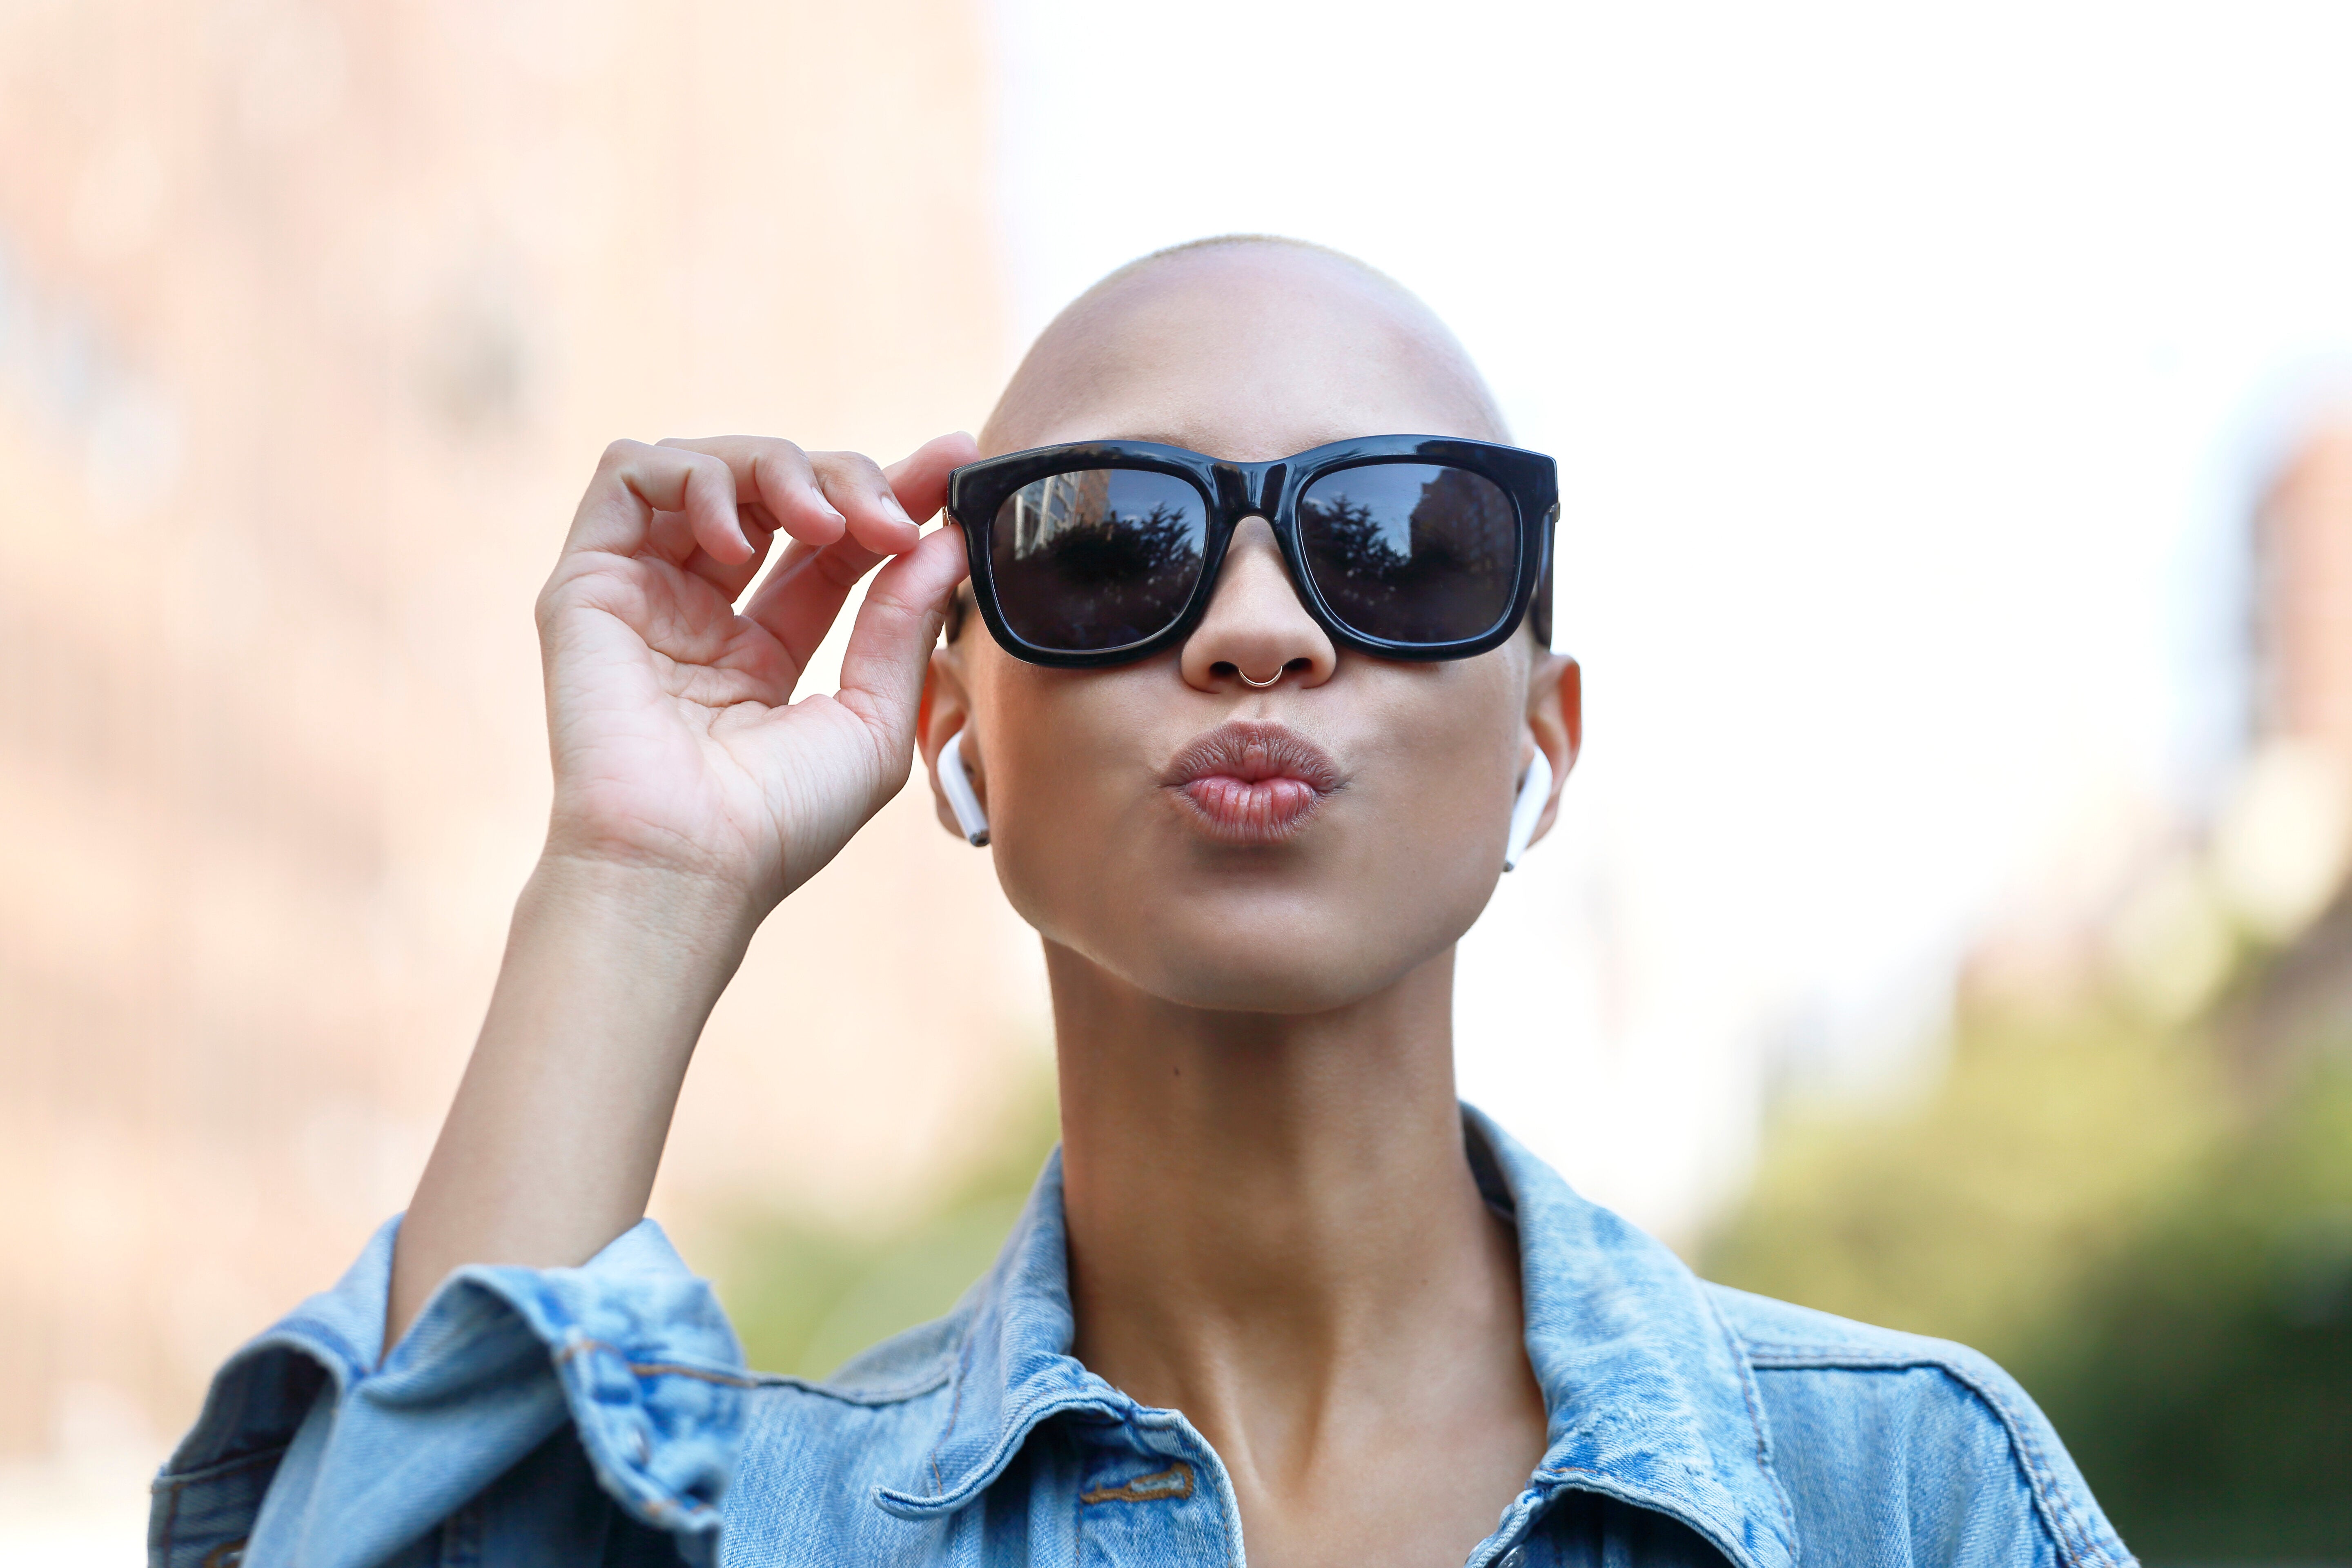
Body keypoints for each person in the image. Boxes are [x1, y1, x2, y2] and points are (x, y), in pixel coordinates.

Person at [151, 237, 2132, 1568]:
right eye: (1113, 550)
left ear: (1547, 736)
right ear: (955, 728)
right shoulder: (772, 1525)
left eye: (1400, 541)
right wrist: (636, 877)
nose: (1260, 631)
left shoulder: (1908, 1492)